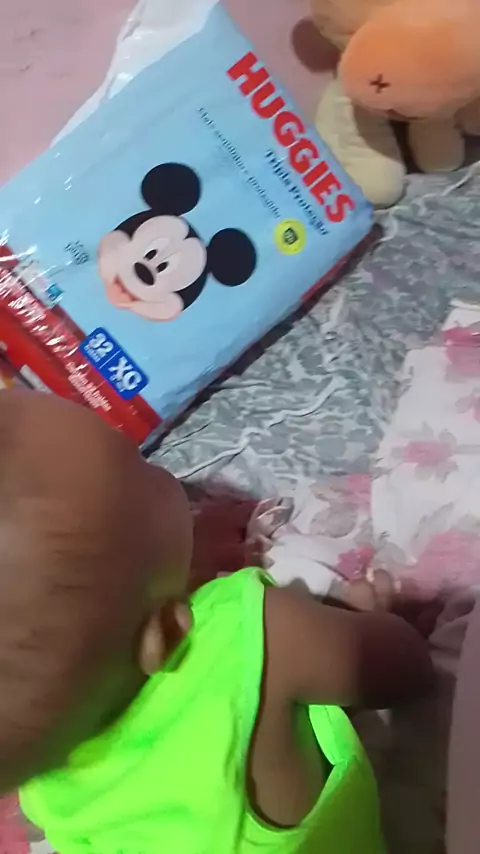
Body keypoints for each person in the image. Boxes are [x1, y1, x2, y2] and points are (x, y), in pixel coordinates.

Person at [0, 389, 433, 854]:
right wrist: (372, 616)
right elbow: (404, 667)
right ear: (169, 630)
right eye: (142, 469)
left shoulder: (46, 774)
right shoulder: (252, 630)